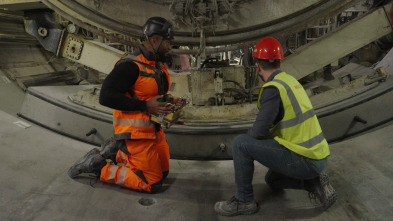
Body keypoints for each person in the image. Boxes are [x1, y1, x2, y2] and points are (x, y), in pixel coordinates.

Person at [214, 37, 337, 216]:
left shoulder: (273, 88)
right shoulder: (290, 81)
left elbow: (258, 132)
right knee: (272, 180)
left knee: (241, 144)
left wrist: (251, 140)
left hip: (304, 159)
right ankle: (311, 183)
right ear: (280, 61)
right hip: (317, 156)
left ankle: (244, 201)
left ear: (258, 66)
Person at [68, 17, 183, 193]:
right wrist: (145, 106)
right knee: (153, 183)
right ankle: (99, 167)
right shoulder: (130, 66)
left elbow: (152, 95)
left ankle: (118, 152)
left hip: (154, 131)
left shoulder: (157, 67)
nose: (170, 47)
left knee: (164, 172)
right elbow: (106, 97)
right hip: (135, 135)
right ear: (154, 40)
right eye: (167, 42)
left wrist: (169, 100)